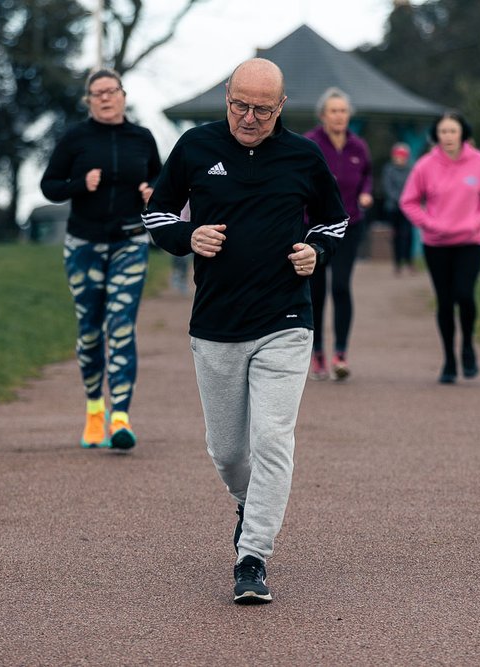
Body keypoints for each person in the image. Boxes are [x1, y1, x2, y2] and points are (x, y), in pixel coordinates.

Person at [142, 58, 347, 604]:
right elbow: (158, 214)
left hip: (284, 321)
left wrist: (316, 249)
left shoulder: (303, 155)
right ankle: (249, 502)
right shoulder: (195, 146)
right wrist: (189, 237)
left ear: (281, 108)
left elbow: (335, 219)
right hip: (215, 324)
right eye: (239, 105)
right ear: (227, 98)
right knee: (229, 451)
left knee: (273, 439)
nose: (248, 117)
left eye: (261, 108)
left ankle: (252, 556)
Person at [40, 68, 161, 450]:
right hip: (84, 245)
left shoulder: (142, 138)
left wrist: (152, 193)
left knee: (121, 325)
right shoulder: (76, 139)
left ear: (123, 95)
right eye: (97, 93)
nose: (106, 98)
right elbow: (49, 185)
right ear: (89, 101)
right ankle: (95, 409)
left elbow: (162, 182)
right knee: (91, 331)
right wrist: (80, 185)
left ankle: (120, 417)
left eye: (112, 91)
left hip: (130, 242)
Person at [399, 109, 480, 384]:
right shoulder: (425, 165)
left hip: (471, 241)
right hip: (437, 243)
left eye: (452, 131)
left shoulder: (479, 162)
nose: (447, 136)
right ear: (436, 135)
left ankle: (467, 345)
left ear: (462, 134)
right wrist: (429, 224)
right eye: (443, 131)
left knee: (464, 295)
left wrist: (478, 221)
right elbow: (408, 201)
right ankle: (449, 359)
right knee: (445, 301)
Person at [303, 88, 373, 381]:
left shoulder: (359, 147)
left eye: (343, 111)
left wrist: (366, 194)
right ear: (323, 115)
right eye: (333, 111)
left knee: (341, 286)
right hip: (314, 229)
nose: (339, 116)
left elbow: (367, 175)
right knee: (315, 291)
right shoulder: (309, 143)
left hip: (349, 225)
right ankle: (317, 352)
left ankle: (340, 353)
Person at [381, 142, 416, 275]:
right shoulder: (388, 169)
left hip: (408, 208)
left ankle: (409, 261)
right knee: (396, 236)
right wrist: (400, 200)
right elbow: (388, 188)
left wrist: (407, 200)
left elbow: (414, 187)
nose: (399, 158)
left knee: (408, 235)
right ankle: (397, 263)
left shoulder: (411, 169)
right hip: (394, 208)